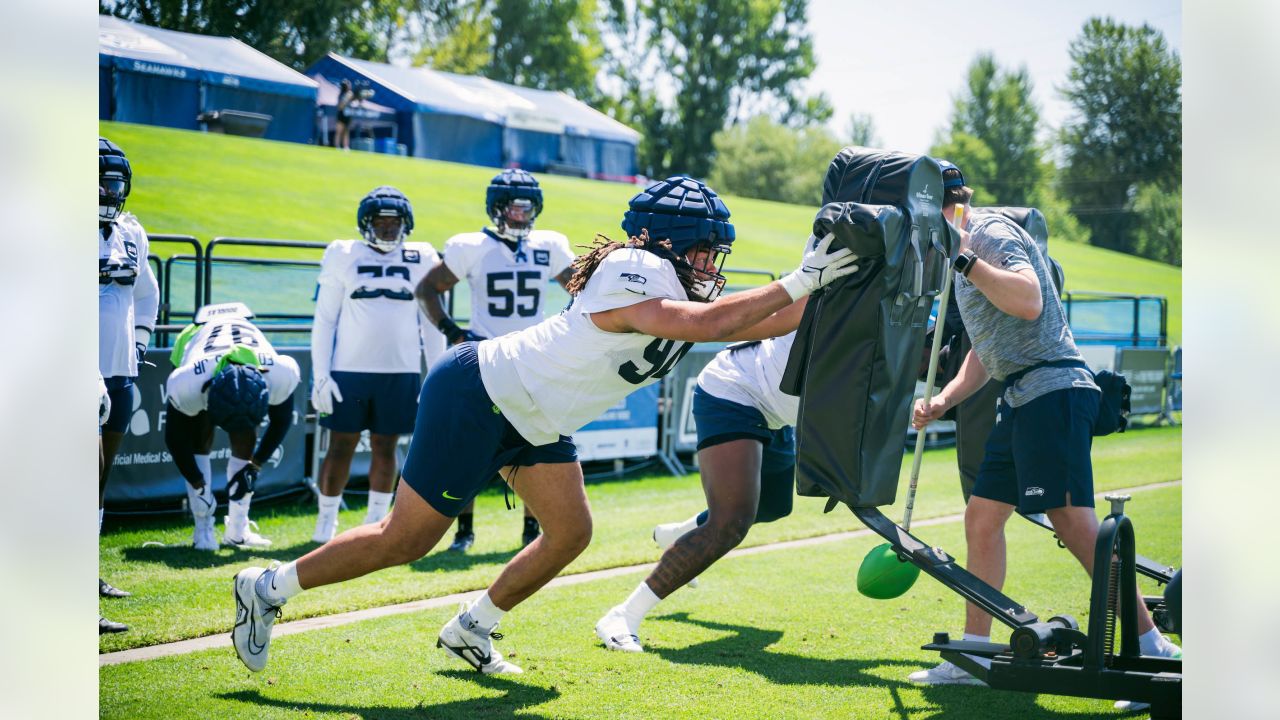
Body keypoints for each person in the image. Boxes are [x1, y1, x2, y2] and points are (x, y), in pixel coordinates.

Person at [231, 175, 859, 676]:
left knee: (569, 533)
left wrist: (839, 286)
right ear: (663, 241)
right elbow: (707, 326)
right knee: (407, 540)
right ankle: (266, 586)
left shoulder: (675, 281)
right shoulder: (632, 267)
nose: (709, 262)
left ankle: (470, 628)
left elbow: (765, 321)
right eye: (701, 248)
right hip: (481, 393)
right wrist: (800, 279)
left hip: (534, 418)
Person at [906, 162, 1180, 700]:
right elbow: (986, 354)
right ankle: (973, 650)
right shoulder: (959, 259)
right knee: (982, 518)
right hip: (1021, 396)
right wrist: (943, 399)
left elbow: (1028, 301)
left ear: (944, 206)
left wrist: (962, 256)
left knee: (1075, 525)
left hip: (1053, 392)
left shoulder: (987, 234)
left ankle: (1151, 646)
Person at [595, 321, 804, 652]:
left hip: (777, 411)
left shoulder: (891, 309)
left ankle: (681, 533)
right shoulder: (829, 283)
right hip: (737, 389)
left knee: (774, 506)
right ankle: (623, 615)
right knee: (730, 523)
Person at [415, 169, 575, 552]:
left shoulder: (549, 244)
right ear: (496, 209)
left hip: (532, 360)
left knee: (536, 442)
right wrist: (453, 332)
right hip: (485, 360)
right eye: (513, 209)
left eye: (527, 209)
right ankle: (464, 531)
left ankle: (531, 531)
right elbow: (426, 289)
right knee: (470, 448)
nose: (521, 216)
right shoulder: (471, 245)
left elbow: (580, 289)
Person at [310, 186, 446, 544]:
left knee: (388, 446)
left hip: (399, 372)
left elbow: (432, 323)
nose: (387, 229)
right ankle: (326, 521)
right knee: (340, 445)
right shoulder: (343, 254)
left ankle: (375, 522)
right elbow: (324, 319)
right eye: (380, 223)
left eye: (394, 223)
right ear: (365, 224)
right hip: (349, 370)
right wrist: (321, 375)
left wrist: (436, 376)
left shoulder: (421, 256)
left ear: (406, 224)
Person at [164, 303, 301, 550]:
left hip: (241, 336)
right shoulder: (187, 383)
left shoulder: (279, 371)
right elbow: (175, 438)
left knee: (246, 434)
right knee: (199, 432)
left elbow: (282, 420)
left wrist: (255, 465)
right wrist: (198, 485)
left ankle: (238, 529)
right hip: (196, 335)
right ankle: (202, 527)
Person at [98, 137, 158, 633]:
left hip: (119, 372)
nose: (106, 188)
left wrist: (138, 345)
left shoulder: (131, 231)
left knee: (96, 487)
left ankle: (86, 574)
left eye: (113, 179)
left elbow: (147, 294)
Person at [335, 79, 354, 150]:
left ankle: (346, 146)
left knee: (346, 132)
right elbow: (340, 107)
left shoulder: (350, 94)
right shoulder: (341, 95)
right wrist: (346, 99)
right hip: (341, 115)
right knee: (339, 131)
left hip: (348, 115)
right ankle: (337, 146)